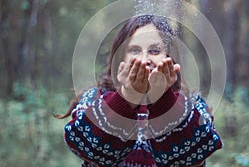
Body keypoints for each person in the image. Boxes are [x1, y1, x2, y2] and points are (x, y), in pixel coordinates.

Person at [57, 15, 223, 167]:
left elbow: (195, 154)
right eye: (134, 50)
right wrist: (128, 97)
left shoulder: (192, 104)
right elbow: (85, 147)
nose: (144, 60)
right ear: (121, 57)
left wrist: (162, 100)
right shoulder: (94, 98)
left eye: (155, 51)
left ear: (169, 57)